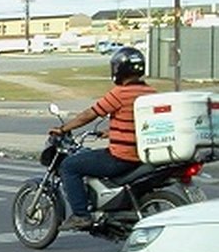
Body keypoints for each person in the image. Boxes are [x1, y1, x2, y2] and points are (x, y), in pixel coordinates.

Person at [49, 46, 155, 230]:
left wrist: (64, 128)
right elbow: (139, 121)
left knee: (70, 166)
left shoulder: (120, 93)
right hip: (144, 155)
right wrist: (111, 131)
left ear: (118, 69)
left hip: (122, 157)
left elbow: (90, 114)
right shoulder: (151, 92)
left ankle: (81, 215)